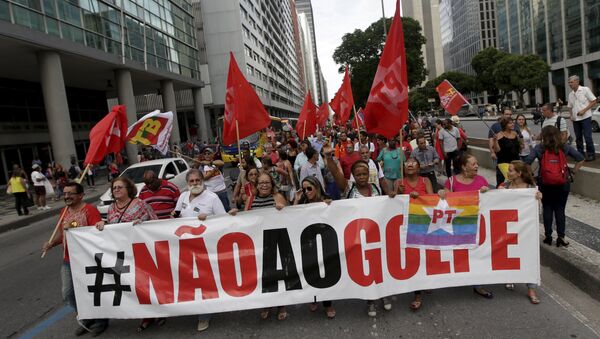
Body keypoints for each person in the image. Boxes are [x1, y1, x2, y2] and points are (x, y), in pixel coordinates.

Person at [322, 143, 394, 317]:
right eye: (358, 174)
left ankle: (384, 295)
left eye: (364, 174)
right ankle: (370, 300)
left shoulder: (376, 188)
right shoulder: (348, 188)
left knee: (380, 267)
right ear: (353, 176)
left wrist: (393, 194)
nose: (362, 177)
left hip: (377, 237)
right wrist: (329, 158)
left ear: (369, 175)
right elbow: (336, 174)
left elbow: (387, 207)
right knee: (365, 270)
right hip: (357, 238)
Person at [95, 177, 158, 332]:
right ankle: (144, 312)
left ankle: (152, 314)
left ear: (128, 189)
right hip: (122, 253)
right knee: (132, 285)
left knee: (145, 283)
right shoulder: (111, 208)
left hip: (140, 251)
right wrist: (104, 224)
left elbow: (156, 224)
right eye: (114, 188)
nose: (116, 190)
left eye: (119, 187)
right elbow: (112, 227)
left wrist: (142, 223)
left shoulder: (141, 205)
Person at [42, 182, 104, 336]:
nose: (67, 196)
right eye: (65, 193)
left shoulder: (89, 210)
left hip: (87, 259)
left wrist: (74, 226)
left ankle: (101, 321)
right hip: (68, 259)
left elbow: (95, 233)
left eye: (71, 193)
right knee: (68, 293)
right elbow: (63, 233)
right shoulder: (64, 211)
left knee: (94, 291)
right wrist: (52, 243)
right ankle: (86, 317)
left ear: (81, 195)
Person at [170, 169, 227, 332]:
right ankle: (195, 308)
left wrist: (209, 219)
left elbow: (223, 221)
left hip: (205, 247)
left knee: (203, 281)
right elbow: (177, 216)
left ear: (203, 181)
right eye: (191, 181)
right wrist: (173, 215)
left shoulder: (212, 198)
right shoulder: (182, 197)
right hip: (185, 247)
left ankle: (204, 315)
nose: (194, 183)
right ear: (187, 183)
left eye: (197, 180)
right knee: (190, 281)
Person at [229, 173, 288, 320]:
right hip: (258, 244)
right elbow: (245, 220)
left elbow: (291, 217)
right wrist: (235, 215)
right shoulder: (251, 199)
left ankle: (281, 305)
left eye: (267, 182)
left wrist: (283, 210)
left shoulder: (278, 197)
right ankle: (267, 303)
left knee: (278, 274)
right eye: (261, 183)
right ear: (257, 185)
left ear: (272, 184)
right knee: (264, 276)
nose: (264, 185)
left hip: (276, 241)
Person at [438, 154, 494, 299]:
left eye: (477, 164)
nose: (477, 166)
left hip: (476, 224)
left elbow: (490, 202)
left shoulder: (482, 181)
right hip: (457, 225)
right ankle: (457, 277)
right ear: (464, 166)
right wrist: (442, 194)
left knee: (477, 253)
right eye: (473, 164)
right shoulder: (451, 182)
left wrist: (487, 193)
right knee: (458, 252)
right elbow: (446, 202)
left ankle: (478, 285)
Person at [524, 126, 585, 247]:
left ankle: (548, 237)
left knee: (547, 208)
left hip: (544, 183)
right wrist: (572, 173)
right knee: (560, 210)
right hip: (563, 184)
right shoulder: (564, 147)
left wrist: (532, 177)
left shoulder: (539, 148)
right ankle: (561, 237)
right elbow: (581, 159)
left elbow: (527, 162)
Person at [497, 160, 541, 304]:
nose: (508, 173)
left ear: (519, 173)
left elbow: (535, 207)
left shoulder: (530, 188)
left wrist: (538, 197)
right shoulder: (504, 186)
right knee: (509, 254)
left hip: (525, 229)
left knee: (529, 255)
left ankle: (531, 289)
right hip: (508, 228)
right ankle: (510, 278)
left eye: (510, 170)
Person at [292, 176, 336, 318]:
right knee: (311, 274)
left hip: (325, 244)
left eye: (309, 188)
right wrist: (297, 200)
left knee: (326, 274)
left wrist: (329, 205)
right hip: (308, 244)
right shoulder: (303, 201)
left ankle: (328, 304)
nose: (306, 192)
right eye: (304, 189)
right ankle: (313, 298)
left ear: (317, 187)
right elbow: (289, 218)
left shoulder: (327, 199)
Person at [394, 157, 434, 311]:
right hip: (407, 226)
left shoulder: (425, 181)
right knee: (414, 258)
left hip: (424, 224)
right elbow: (393, 203)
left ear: (418, 168)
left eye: (413, 163)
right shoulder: (399, 182)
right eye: (407, 163)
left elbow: (432, 200)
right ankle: (417, 294)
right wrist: (399, 193)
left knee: (426, 257)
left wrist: (421, 197)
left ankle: (426, 282)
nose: (409, 165)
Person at [488, 108, 522, 186]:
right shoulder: (499, 134)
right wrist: (495, 141)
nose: (513, 124)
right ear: (505, 125)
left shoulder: (515, 133)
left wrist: (521, 144)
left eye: (513, 123)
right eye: (510, 123)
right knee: (502, 183)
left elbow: (518, 146)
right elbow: (497, 150)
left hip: (515, 162)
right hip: (503, 163)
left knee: (516, 182)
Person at [567, 75, 596, 161]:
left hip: (586, 117)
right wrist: (571, 115)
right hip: (576, 119)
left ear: (577, 82)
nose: (570, 84)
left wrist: (584, 110)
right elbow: (569, 106)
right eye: (569, 82)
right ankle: (580, 154)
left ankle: (591, 154)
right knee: (578, 137)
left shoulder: (585, 89)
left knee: (587, 137)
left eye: (571, 82)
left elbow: (594, 101)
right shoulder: (570, 94)